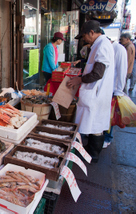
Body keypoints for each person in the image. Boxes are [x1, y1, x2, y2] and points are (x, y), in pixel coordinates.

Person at [67, 20, 115, 163]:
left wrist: (79, 80)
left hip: (97, 93)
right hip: (95, 92)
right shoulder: (98, 44)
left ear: (92, 33)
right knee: (94, 124)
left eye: (84, 36)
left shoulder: (103, 45)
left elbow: (97, 73)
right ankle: (90, 150)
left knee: (96, 125)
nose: (83, 40)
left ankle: (93, 155)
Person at [103, 39, 128, 148]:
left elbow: (122, 71)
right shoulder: (108, 48)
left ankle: (107, 137)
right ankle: (104, 135)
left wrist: (119, 90)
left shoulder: (120, 49)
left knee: (111, 116)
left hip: (114, 88)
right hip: (106, 87)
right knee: (105, 113)